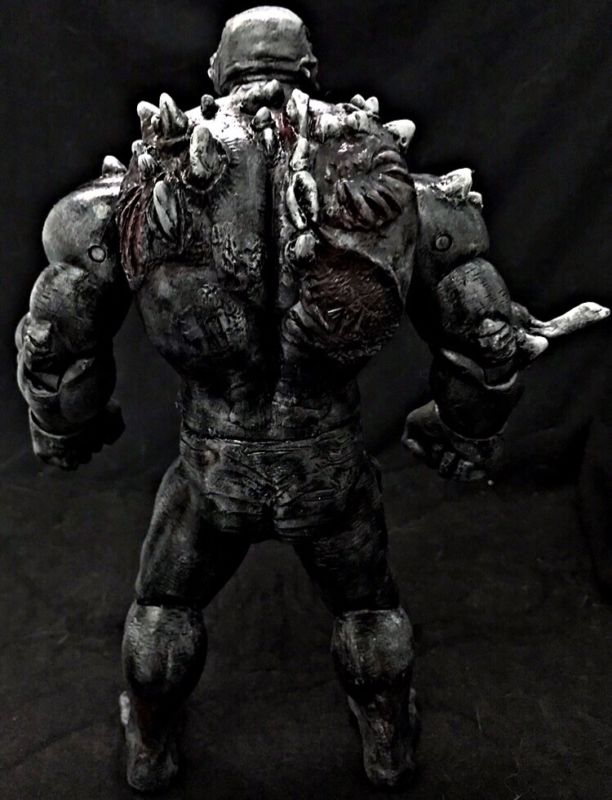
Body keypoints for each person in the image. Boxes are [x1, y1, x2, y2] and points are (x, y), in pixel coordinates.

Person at [15, 6, 608, 792]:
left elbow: (55, 341)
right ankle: (388, 747)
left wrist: (67, 427)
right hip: (327, 474)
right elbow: (484, 341)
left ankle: (150, 749)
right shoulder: (403, 192)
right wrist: (460, 432)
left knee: (163, 606)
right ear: (312, 73)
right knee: (367, 611)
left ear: (216, 74)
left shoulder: (129, 191)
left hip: (212, 476)